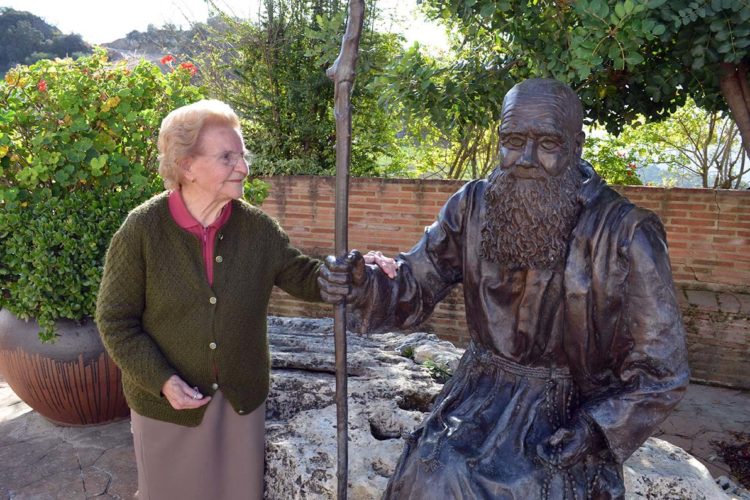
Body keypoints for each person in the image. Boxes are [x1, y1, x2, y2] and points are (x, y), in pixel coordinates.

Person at [319, 79, 690, 499]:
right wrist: (362, 285)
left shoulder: (625, 233)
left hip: (567, 411)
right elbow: (415, 282)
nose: (527, 158)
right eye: (513, 140)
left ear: (576, 145)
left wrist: (595, 429)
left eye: (547, 142)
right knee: (431, 472)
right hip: (475, 395)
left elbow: (662, 371)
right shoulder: (472, 205)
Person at [96, 99, 327, 499]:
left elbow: (306, 277)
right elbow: (115, 321)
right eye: (227, 157)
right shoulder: (142, 230)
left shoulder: (257, 228)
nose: (243, 167)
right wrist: (162, 380)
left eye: (242, 155)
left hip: (240, 402)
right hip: (169, 406)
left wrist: (356, 269)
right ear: (186, 166)